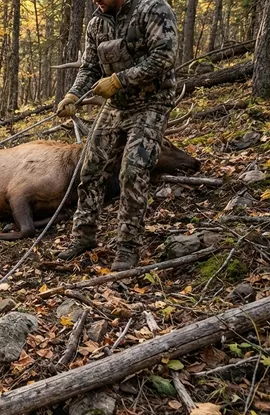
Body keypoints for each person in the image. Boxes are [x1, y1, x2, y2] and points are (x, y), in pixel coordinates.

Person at [55, 0, 178, 271]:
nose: (95, 1)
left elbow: (164, 56)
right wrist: (74, 95)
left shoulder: (153, 9)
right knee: (91, 168)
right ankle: (84, 236)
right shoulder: (96, 24)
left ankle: (128, 247)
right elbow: (89, 68)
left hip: (152, 103)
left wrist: (120, 79)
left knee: (133, 170)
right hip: (117, 106)